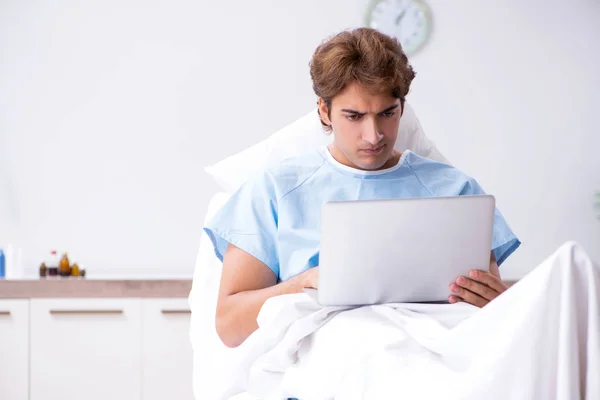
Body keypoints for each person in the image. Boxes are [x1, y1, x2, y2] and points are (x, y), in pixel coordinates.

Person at [204, 28, 520, 349]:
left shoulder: (456, 191)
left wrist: (502, 306)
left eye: (387, 114)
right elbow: (229, 326)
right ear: (324, 111)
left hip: (431, 354)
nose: (373, 136)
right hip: (330, 359)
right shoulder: (274, 191)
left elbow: (490, 316)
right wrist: (305, 282)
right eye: (354, 116)